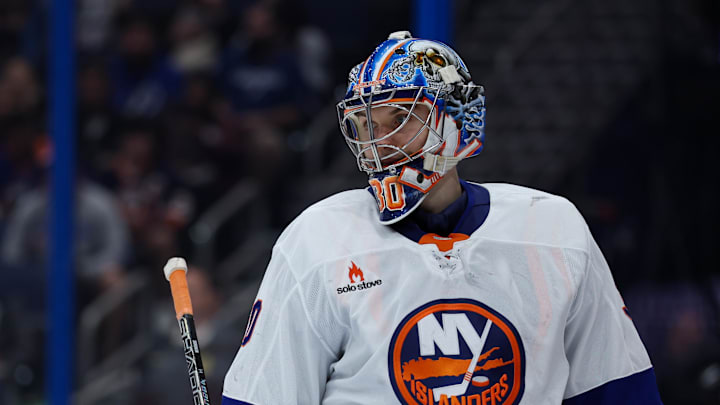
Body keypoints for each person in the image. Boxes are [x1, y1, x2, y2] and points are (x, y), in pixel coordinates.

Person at [221, 31, 663, 404]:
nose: (380, 143)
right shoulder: (317, 240)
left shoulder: (552, 229)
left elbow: (620, 390)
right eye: (368, 123)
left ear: (459, 117)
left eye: (401, 118)